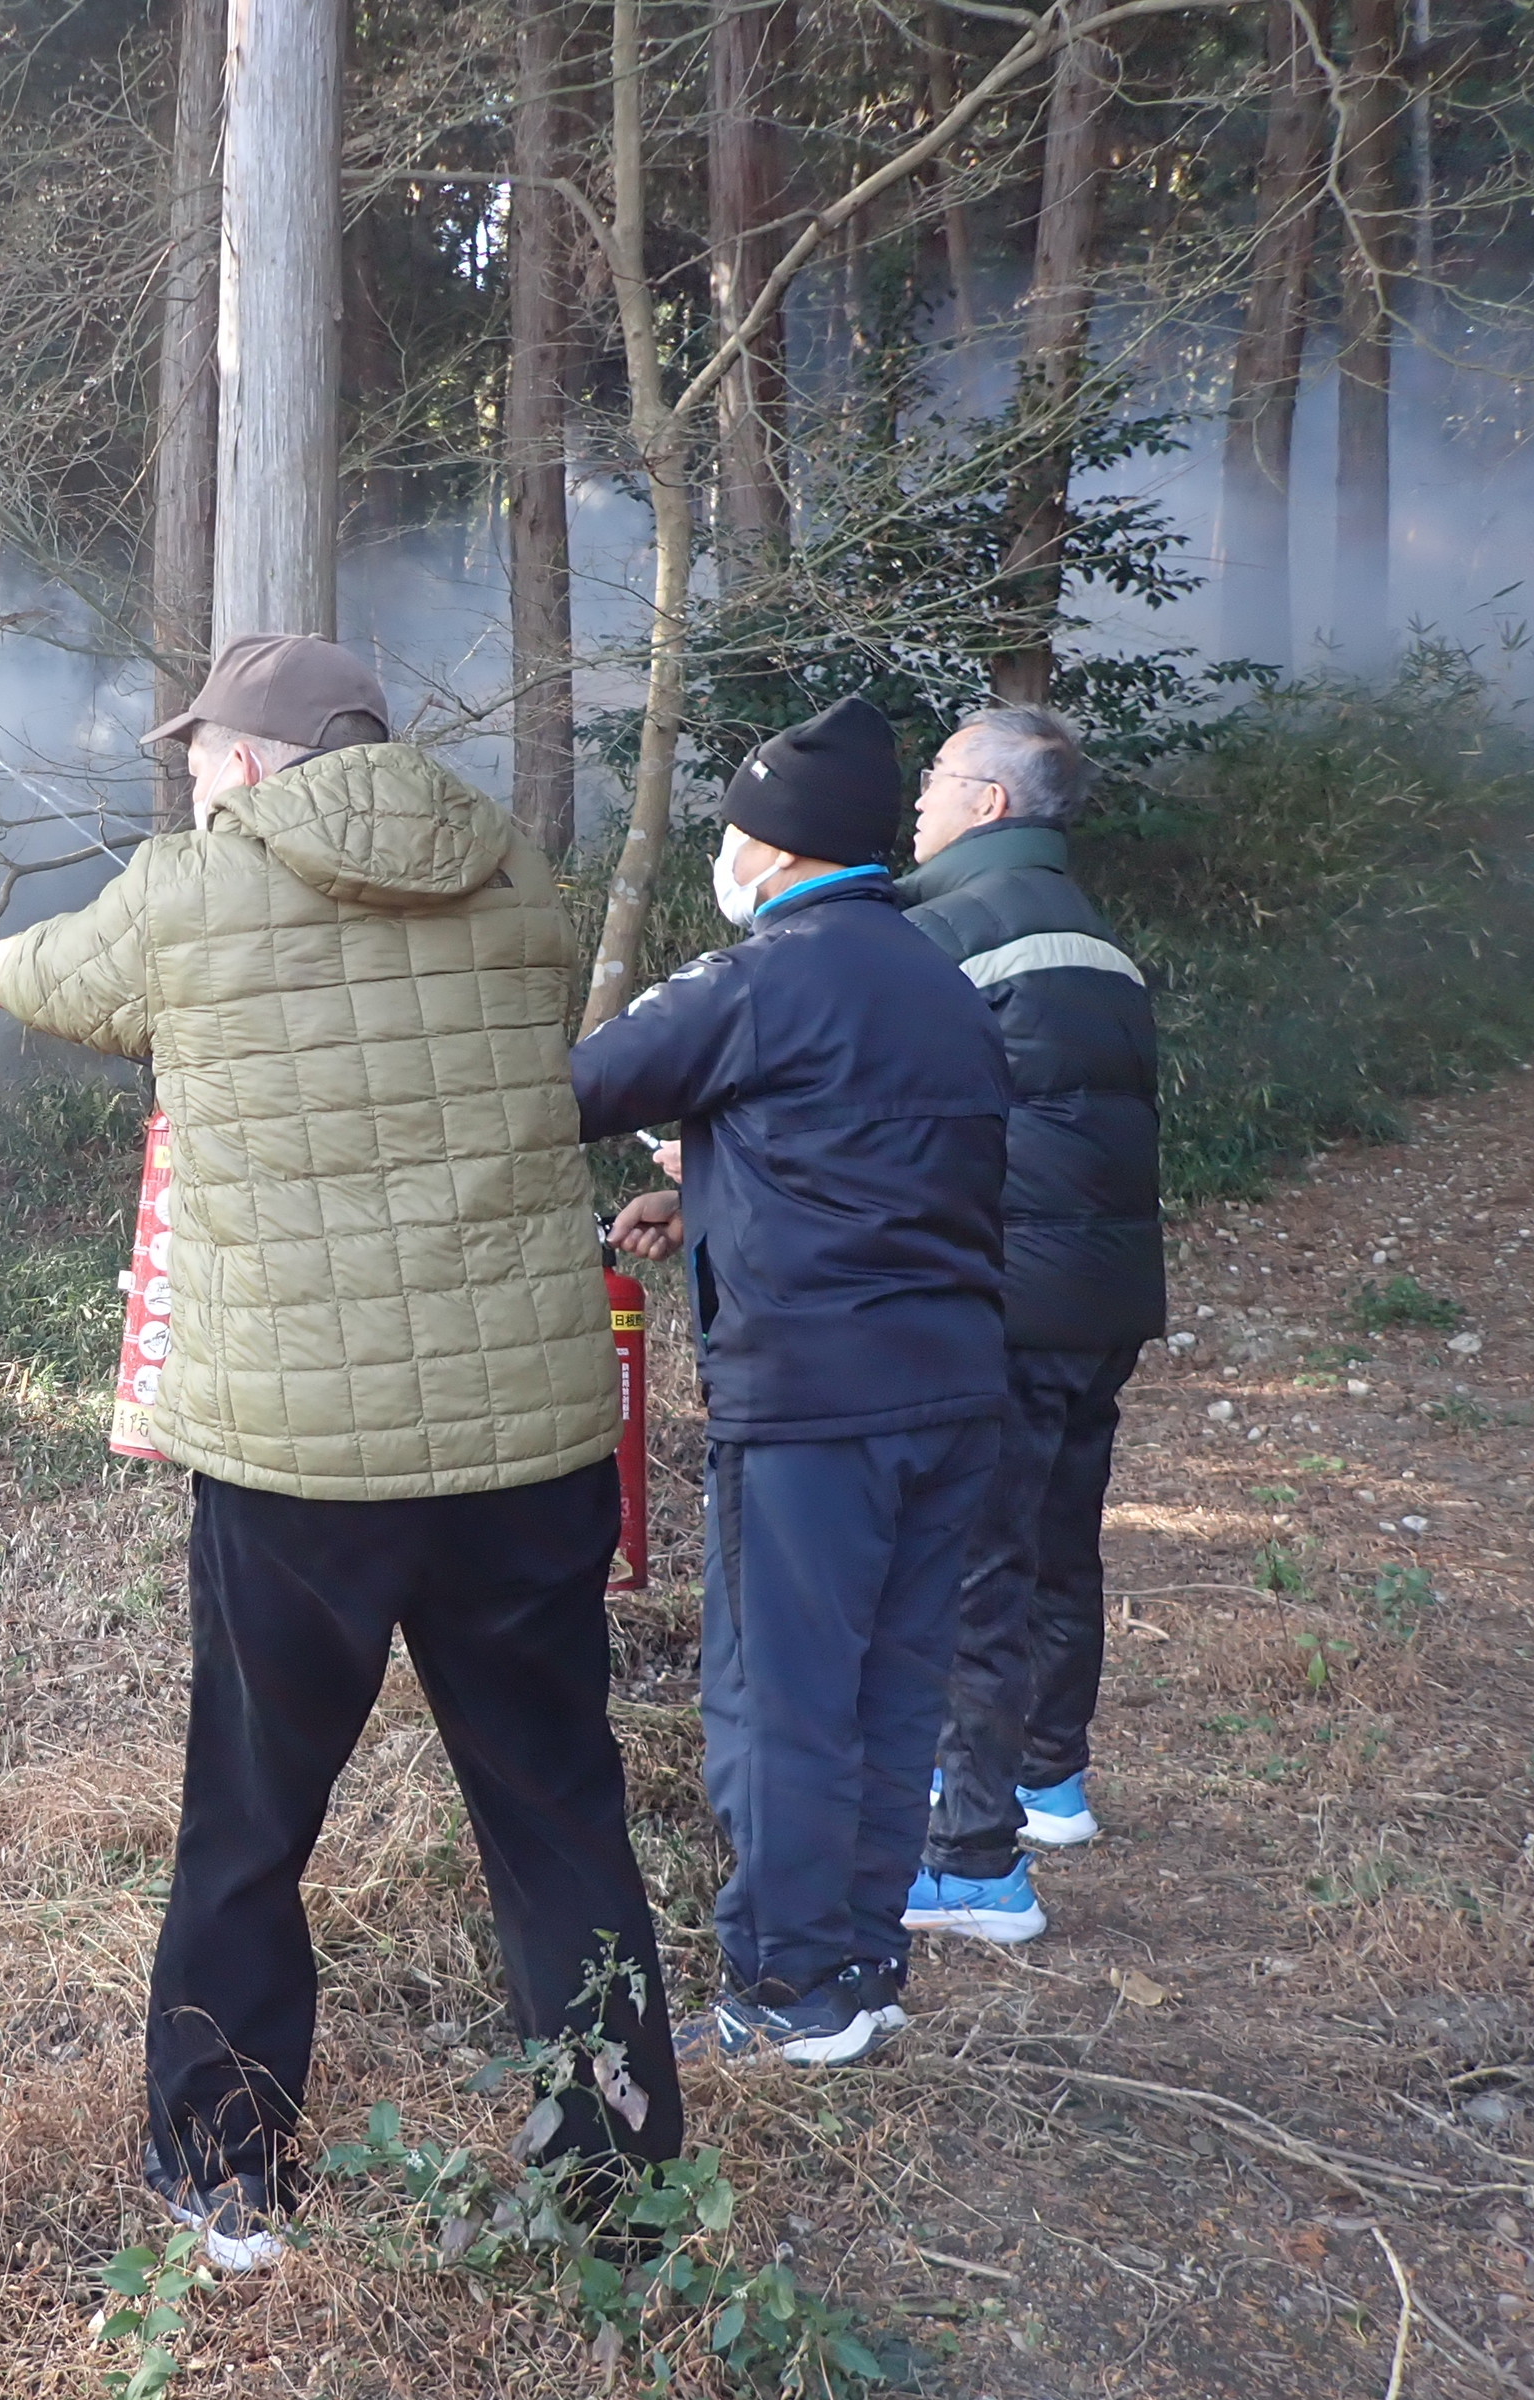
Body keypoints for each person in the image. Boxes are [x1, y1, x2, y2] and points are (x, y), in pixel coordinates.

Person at [0, 632, 682, 2271]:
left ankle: (228, 2182)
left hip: (302, 1467)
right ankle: (621, 2191)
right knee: (561, 1814)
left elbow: (57, 983)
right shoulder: (524, 886)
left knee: (251, 1821)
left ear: (264, 759)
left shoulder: (187, 890)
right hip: (522, 1447)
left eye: (211, 749)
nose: (198, 772)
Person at [571, 694, 1011, 2067]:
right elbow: (871, 1166)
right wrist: (708, 1184)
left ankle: (780, 1993)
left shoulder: (760, 978)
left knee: (782, 1701)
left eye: (736, 831)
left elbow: (571, 1089)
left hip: (816, 1405)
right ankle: (862, 1972)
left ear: (768, 846)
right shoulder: (940, 976)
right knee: (892, 1690)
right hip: (951, 1391)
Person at [895, 706, 1165, 1946]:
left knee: (978, 1571)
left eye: (938, 775)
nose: (917, 796)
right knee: (1059, 1543)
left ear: (990, 804)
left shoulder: (945, 933)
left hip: (1002, 1295)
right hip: (1099, 1295)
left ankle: (969, 1861)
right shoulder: (1094, 935)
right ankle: (1052, 1781)